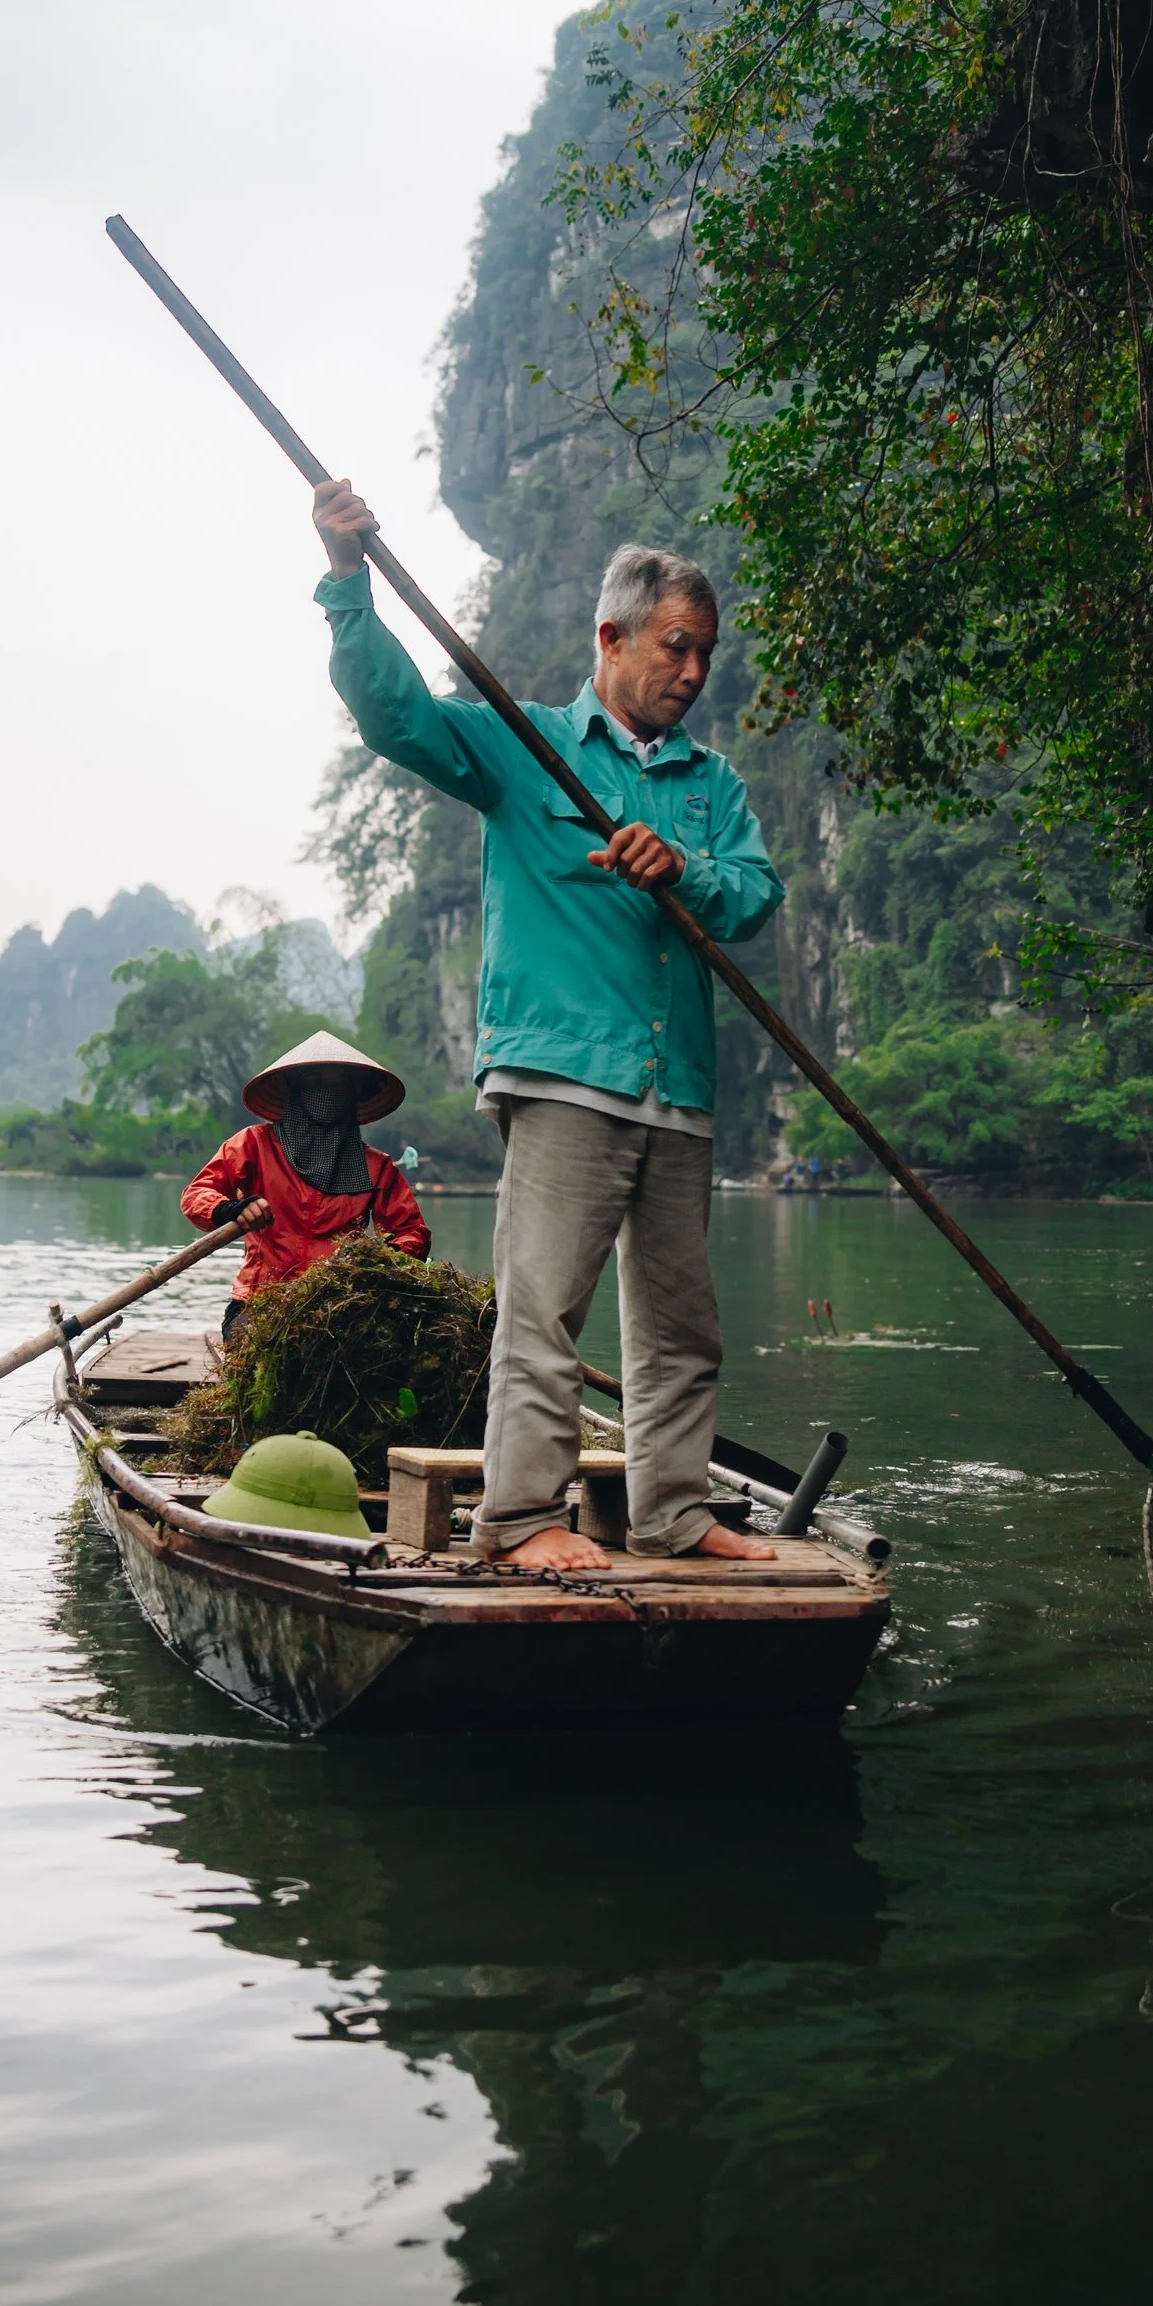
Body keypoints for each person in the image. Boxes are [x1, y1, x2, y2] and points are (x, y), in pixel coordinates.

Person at [312, 478, 782, 1571]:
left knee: (679, 1327)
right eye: (673, 646)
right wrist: (347, 580)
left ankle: (672, 1510)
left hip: (678, 1085)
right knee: (543, 1313)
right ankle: (522, 1518)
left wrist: (688, 868)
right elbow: (396, 717)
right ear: (610, 637)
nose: (692, 672)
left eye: (704, 652)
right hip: (566, 1074)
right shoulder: (524, 747)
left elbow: (754, 895)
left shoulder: (710, 786)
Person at [181, 1029, 430, 1340]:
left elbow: (410, 1232)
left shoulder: (376, 1167)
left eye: (338, 1082)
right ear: (295, 1088)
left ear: (352, 1092)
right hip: (260, 1300)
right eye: (315, 1081)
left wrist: (377, 1269)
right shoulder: (254, 1145)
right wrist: (231, 1209)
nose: (327, 1092)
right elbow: (197, 1195)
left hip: (340, 1307)